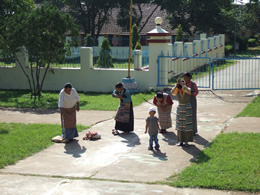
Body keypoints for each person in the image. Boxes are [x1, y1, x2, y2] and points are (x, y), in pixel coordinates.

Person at [171, 79, 193, 147]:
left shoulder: (187, 89)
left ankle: (186, 141)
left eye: (181, 84)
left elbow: (189, 91)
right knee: (180, 125)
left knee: (187, 125)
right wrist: (176, 86)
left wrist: (182, 86)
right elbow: (173, 93)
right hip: (180, 107)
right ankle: (180, 141)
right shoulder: (177, 89)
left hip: (187, 107)